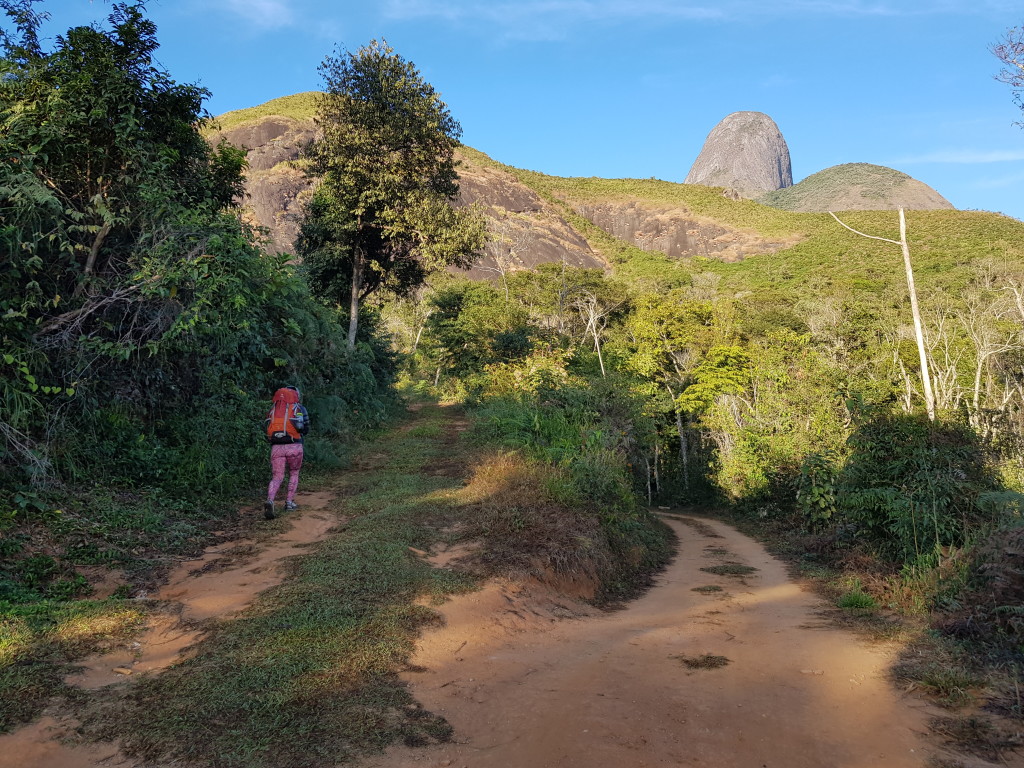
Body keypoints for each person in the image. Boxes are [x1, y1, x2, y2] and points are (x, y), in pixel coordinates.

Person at [264, 386, 310, 520]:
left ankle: (270, 500)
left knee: (277, 476)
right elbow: (306, 428)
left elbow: (266, 426)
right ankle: (289, 503)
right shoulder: (299, 409)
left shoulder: (274, 409)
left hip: (276, 447)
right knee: (294, 473)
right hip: (294, 446)